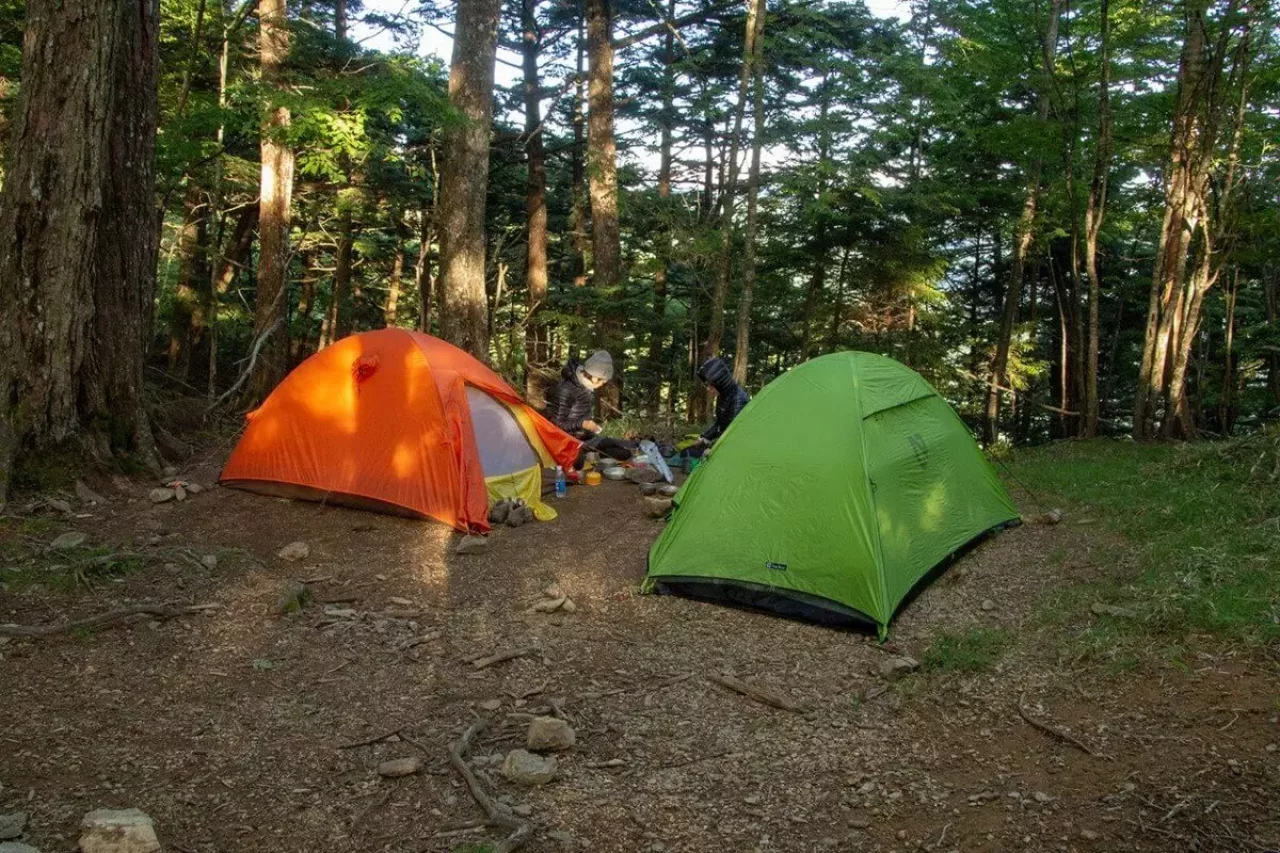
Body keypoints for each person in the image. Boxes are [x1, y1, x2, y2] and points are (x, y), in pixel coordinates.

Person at [544, 350, 633, 468]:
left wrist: (590, 427)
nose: (604, 383)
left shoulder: (587, 386)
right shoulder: (566, 390)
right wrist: (583, 423)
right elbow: (557, 425)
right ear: (594, 377)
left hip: (587, 437)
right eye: (603, 380)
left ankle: (592, 454)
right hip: (568, 440)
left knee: (623, 453)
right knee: (578, 463)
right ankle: (589, 455)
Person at [693, 356, 749, 452]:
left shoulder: (738, 399)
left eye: (711, 386)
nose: (708, 389)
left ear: (720, 382)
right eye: (706, 385)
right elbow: (720, 424)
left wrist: (712, 448)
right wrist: (704, 437)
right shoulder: (724, 395)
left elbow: (731, 433)